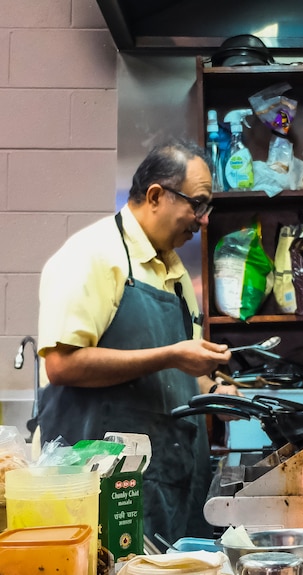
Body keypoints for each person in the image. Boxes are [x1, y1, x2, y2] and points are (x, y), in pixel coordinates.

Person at [36, 138, 238, 544]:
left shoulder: (176, 273)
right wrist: (171, 355)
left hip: (173, 483)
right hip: (104, 490)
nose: (202, 220)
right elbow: (60, 365)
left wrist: (214, 391)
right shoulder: (92, 255)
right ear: (156, 196)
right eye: (196, 205)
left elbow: (178, 373)